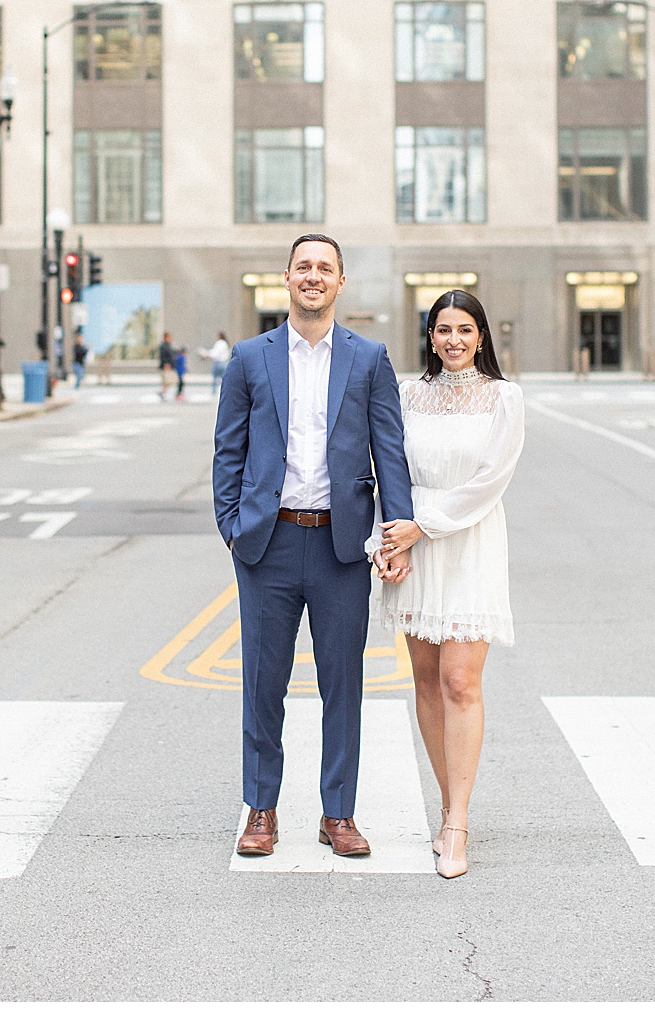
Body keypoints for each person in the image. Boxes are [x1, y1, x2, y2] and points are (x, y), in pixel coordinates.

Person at [212, 233, 415, 860]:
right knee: (262, 683)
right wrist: (232, 525)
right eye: (304, 267)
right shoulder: (250, 358)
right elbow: (228, 450)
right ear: (287, 277)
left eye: (325, 268)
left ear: (340, 282)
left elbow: (391, 449)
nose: (313, 277)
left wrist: (397, 529)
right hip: (268, 545)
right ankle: (262, 809)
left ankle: (339, 813)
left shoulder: (369, 357)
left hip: (340, 548)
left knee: (343, 684)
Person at [369, 289, 525, 880]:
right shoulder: (409, 395)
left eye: (464, 330)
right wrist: (385, 543)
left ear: (481, 335)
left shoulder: (504, 398)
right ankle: (446, 803)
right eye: (442, 331)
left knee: (462, 680)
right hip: (411, 548)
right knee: (428, 682)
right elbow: (389, 469)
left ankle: (458, 821)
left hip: (467, 543)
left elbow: (490, 481)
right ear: (429, 337)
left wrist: (420, 527)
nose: (453, 340)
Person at [208, 330, 231, 398]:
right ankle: (225, 391)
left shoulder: (219, 343)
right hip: (224, 362)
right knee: (223, 378)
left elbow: (215, 353)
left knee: (215, 378)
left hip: (218, 362)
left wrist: (207, 355)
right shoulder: (225, 343)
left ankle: (214, 391)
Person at [158, 332, 176, 401]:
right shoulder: (163, 346)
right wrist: (166, 363)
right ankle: (162, 393)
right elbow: (163, 356)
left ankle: (163, 392)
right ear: (166, 337)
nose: (170, 339)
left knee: (169, 381)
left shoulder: (169, 345)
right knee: (166, 380)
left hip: (170, 366)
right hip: (166, 366)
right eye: (169, 337)